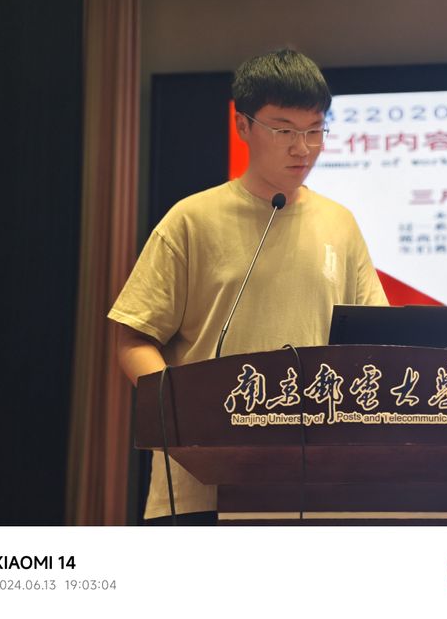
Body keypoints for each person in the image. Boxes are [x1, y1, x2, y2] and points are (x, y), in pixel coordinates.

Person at [108, 49, 387, 524]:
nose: (303, 148)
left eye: (315, 130)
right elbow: (133, 339)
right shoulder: (191, 219)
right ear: (243, 126)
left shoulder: (340, 224)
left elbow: (374, 341)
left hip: (313, 487)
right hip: (201, 487)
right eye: (284, 130)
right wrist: (183, 408)